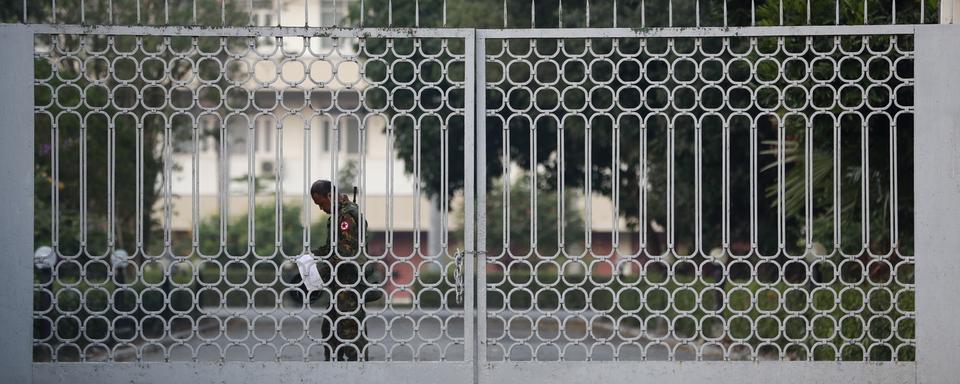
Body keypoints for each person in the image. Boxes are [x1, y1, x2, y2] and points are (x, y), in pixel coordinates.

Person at [288, 179, 369, 361]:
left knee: (350, 334)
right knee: (330, 333)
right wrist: (309, 257)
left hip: (348, 286)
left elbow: (346, 252)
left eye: (321, 203)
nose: (320, 208)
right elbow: (331, 248)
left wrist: (320, 271)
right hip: (338, 285)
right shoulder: (338, 216)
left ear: (330, 196)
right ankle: (333, 372)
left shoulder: (346, 217)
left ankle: (361, 373)